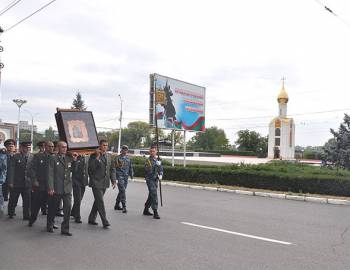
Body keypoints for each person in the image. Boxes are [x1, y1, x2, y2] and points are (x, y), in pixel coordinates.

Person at [47, 141, 77, 236]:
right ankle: (50, 224)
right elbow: (50, 174)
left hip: (67, 188)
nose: (65, 149)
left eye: (66, 147)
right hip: (56, 188)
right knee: (53, 208)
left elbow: (74, 170)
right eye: (63, 147)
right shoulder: (53, 158)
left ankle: (65, 229)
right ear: (58, 148)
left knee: (67, 209)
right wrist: (51, 187)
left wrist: (75, 160)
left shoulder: (69, 158)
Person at [88, 139, 116, 228]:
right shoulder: (93, 155)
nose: (105, 147)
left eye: (106, 145)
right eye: (103, 145)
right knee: (100, 201)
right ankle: (105, 221)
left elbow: (112, 169)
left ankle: (91, 218)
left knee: (97, 201)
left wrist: (113, 181)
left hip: (104, 182)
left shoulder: (109, 156)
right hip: (95, 182)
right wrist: (97, 157)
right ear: (100, 146)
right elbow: (91, 168)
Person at [28, 141, 54, 226]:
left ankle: (50, 224)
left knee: (51, 206)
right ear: (45, 147)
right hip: (40, 185)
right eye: (50, 146)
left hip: (51, 186)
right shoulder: (38, 156)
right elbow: (32, 169)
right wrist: (34, 180)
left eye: (53, 146)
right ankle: (32, 219)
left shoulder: (54, 157)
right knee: (36, 205)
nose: (52, 148)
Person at [7, 141, 33, 220]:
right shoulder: (15, 157)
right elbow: (11, 170)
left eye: (28, 147)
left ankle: (26, 215)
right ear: (21, 148)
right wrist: (10, 182)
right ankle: (11, 212)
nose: (27, 149)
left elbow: (33, 170)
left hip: (27, 183)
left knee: (27, 201)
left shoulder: (31, 156)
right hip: (16, 182)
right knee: (13, 199)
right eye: (25, 147)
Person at [143, 146, 163, 219]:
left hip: (156, 180)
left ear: (156, 152)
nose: (152, 153)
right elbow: (148, 171)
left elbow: (161, 168)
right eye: (151, 151)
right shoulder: (147, 160)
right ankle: (155, 212)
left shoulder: (158, 159)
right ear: (149, 152)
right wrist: (155, 165)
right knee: (154, 194)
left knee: (151, 195)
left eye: (153, 151)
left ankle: (146, 209)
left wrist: (161, 174)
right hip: (150, 179)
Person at [114, 145, 134, 213]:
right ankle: (124, 206)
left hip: (126, 177)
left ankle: (116, 205)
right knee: (122, 191)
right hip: (120, 176)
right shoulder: (117, 158)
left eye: (126, 150)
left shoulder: (128, 158)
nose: (125, 151)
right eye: (124, 149)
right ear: (121, 150)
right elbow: (114, 168)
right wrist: (115, 178)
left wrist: (131, 176)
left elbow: (130, 167)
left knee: (121, 191)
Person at [71, 154, 89, 223]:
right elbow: (73, 170)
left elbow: (88, 169)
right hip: (76, 181)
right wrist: (75, 160)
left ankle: (73, 212)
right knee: (78, 199)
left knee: (79, 199)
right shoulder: (75, 157)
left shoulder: (87, 157)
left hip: (83, 181)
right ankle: (77, 217)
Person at [0, 148, 7, 217]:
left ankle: (1, 209)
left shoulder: (2, 154)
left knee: (0, 195)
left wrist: (2, 179)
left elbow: (4, 168)